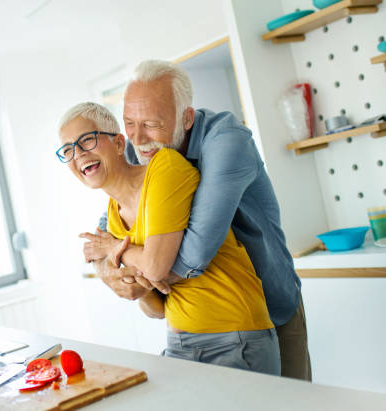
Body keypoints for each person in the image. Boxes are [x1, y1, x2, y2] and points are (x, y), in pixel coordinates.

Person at [82, 60, 311, 381]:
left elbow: (193, 255)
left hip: (269, 306)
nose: (138, 137)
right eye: (129, 123)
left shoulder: (228, 141)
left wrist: (142, 269)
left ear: (186, 117)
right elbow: (105, 233)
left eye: (151, 123)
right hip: (199, 325)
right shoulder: (143, 150)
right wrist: (110, 273)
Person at [57, 102, 280, 375]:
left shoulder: (164, 168)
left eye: (87, 141)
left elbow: (155, 268)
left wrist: (117, 250)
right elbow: (155, 309)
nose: (78, 154)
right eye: (68, 150)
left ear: (118, 143)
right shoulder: (113, 218)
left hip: (234, 336)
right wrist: (137, 283)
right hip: (180, 341)